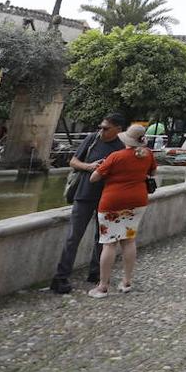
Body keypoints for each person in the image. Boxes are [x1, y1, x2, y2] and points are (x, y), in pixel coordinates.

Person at [49, 112, 127, 294]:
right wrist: (90, 166)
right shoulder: (92, 139)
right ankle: (61, 277)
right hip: (84, 194)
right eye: (100, 127)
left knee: (102, 239)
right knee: (73, 237)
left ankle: (95, 272)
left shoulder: (120, 148)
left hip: (107, 197)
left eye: (106, 128)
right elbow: (73, 161)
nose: (102, 131)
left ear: (118, 130)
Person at [86, 124, 156, 297]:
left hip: (113, 202)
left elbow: (94, 178)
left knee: (109, 243)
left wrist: (100, 168)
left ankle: (102, 286)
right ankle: (126, 282)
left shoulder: (115, 156)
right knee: (129, 240)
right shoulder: (148, 155)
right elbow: (153, 172)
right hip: (137, 201)